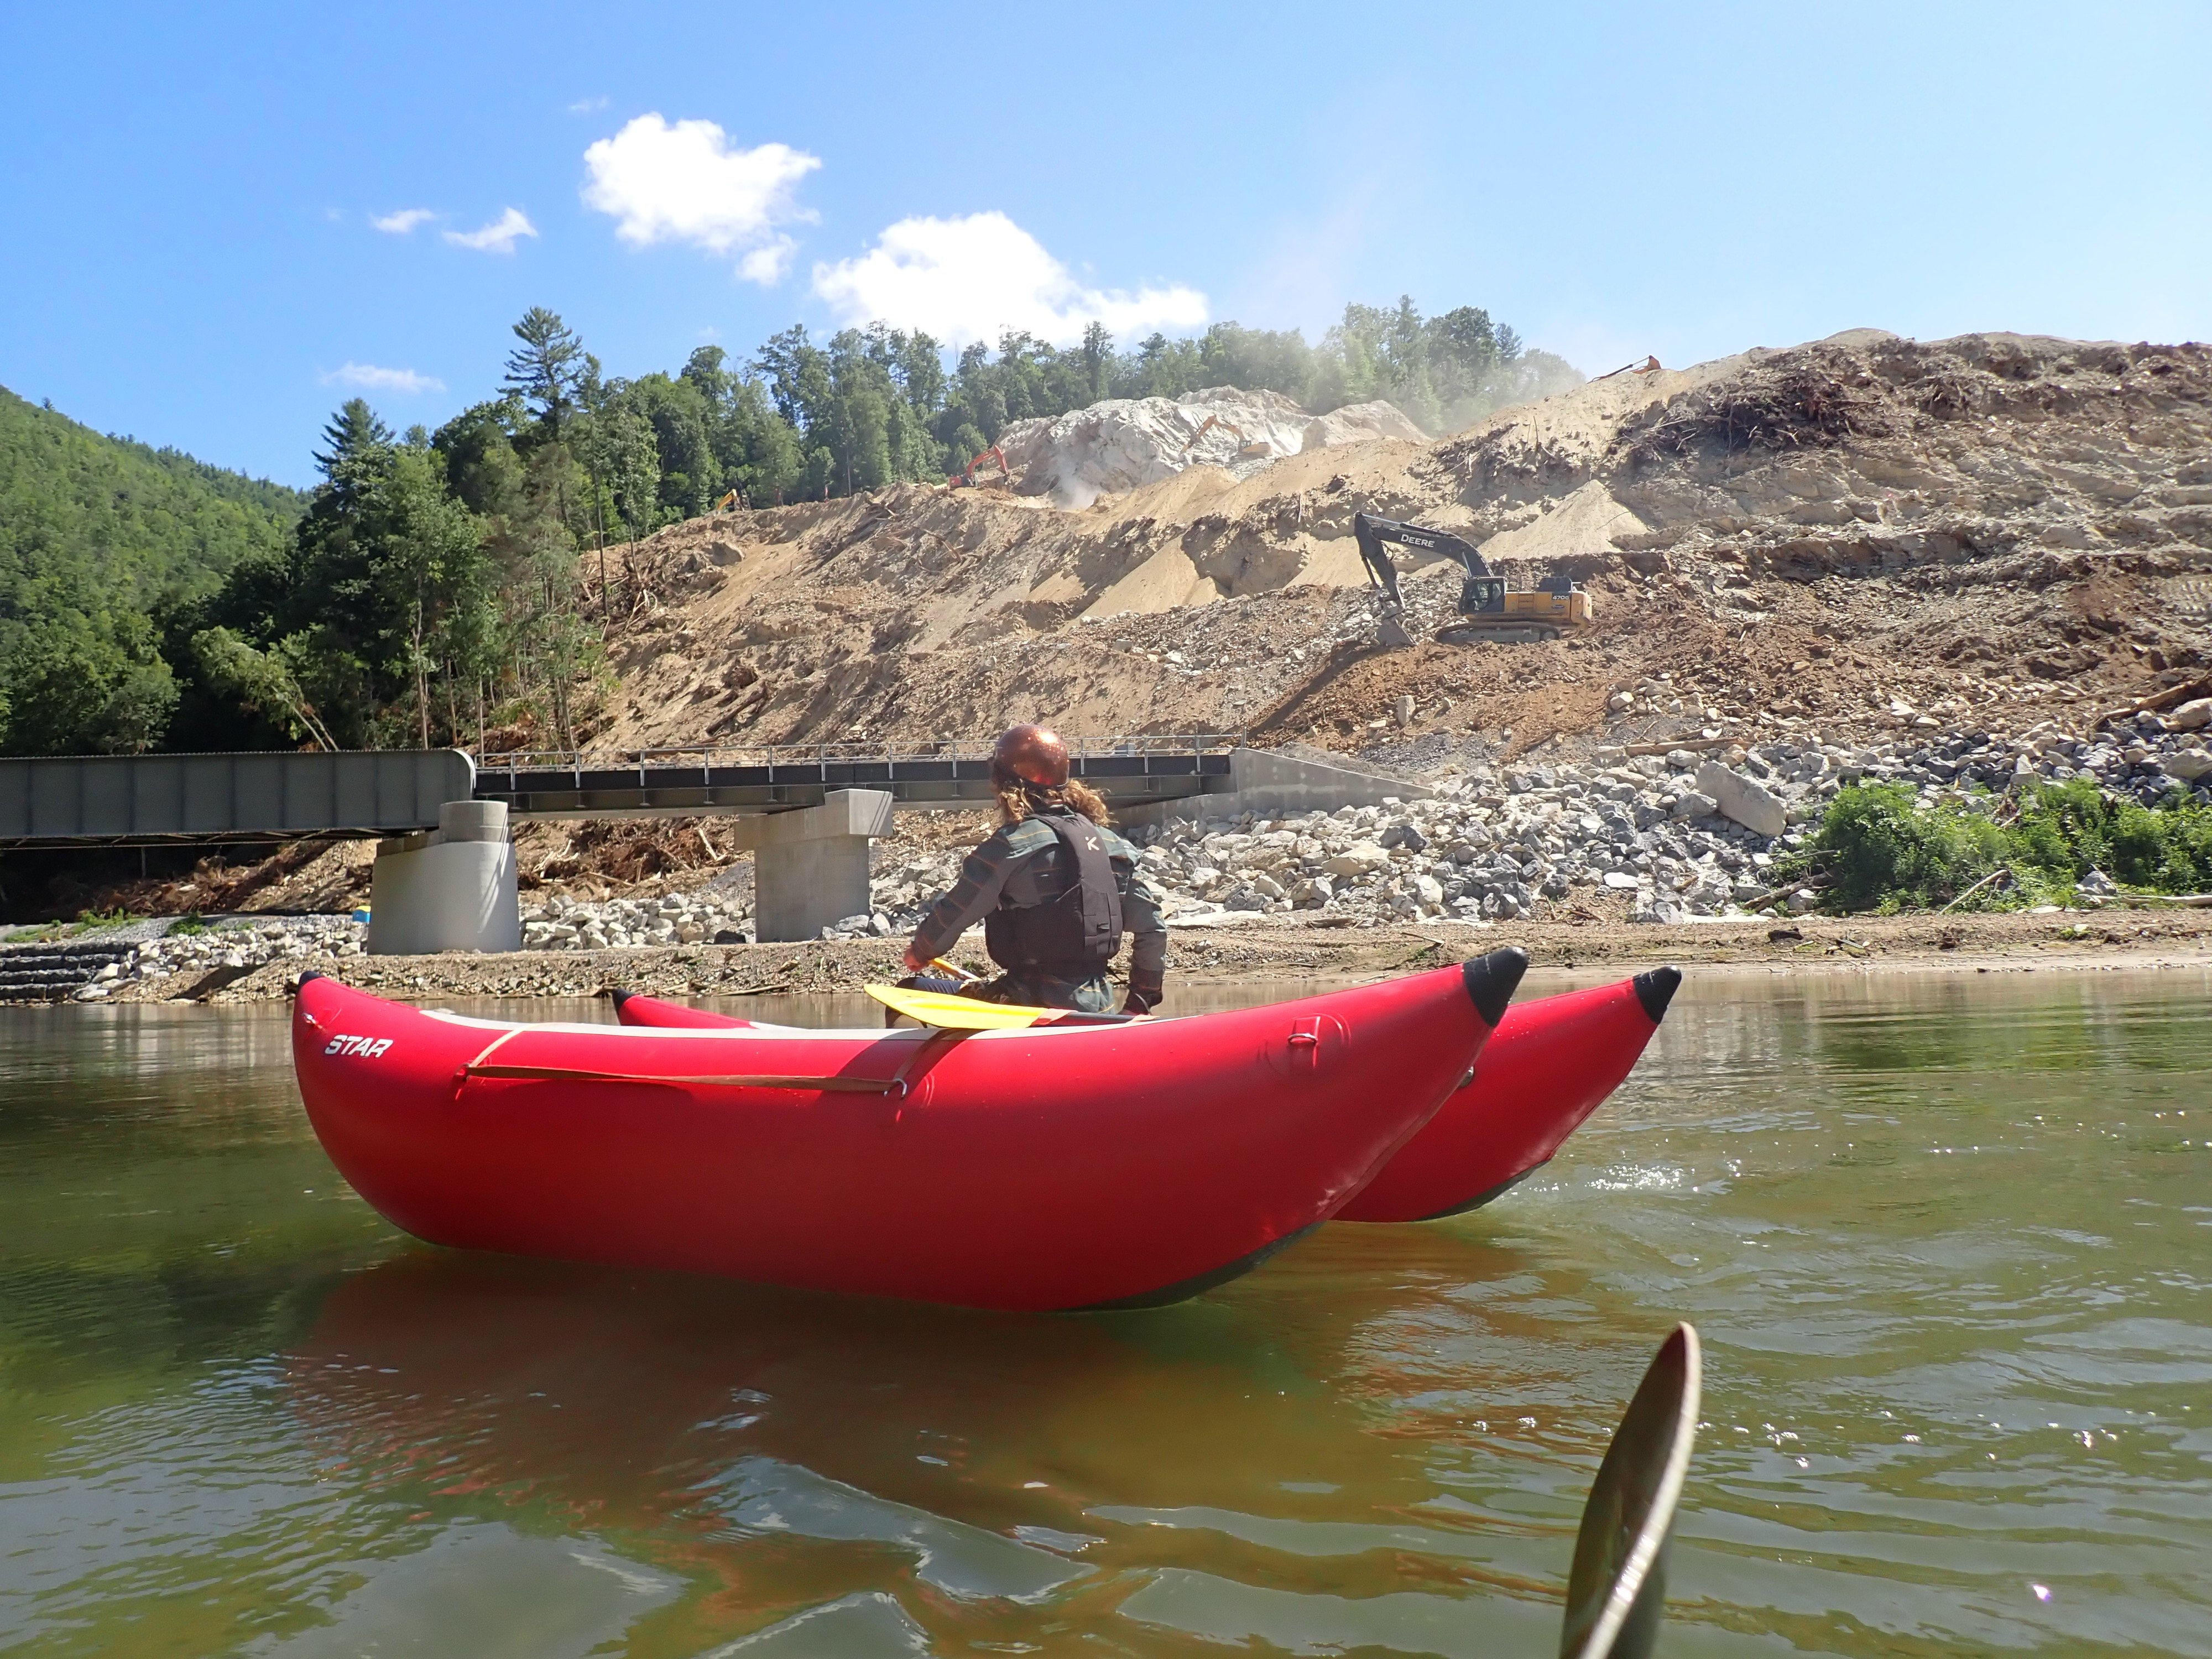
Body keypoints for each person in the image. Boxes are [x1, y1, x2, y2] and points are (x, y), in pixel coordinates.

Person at [901, 724, 1167, 1015]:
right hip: (1100, 1006)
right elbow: (1153, 930)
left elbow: (957, 911)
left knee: (911, 990)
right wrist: (1139, 1003)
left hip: (1029, 1004)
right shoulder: (1113, 845)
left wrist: (921, 951)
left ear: (1004, 786)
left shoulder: (1010, 846)